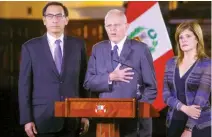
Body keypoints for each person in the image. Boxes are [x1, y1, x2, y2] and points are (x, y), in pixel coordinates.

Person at [18, 2, 89, 137]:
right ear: (44, 20)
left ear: (66, 20)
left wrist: (85, 115)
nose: (55, 20)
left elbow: (84, 82)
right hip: (42, 119)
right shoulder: (30, 47)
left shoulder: (78, 45)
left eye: (59, 16)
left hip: (73, 119)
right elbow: (24, 86)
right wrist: (27, 119)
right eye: (50, 16)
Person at [84, 9, 157, 137]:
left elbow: (151, 87)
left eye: (116, 25)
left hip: (135, 123)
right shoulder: (97, 49)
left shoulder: (140, 49)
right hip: (105, 121)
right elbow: (88, 83)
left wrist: (138, 110)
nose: (113, 29)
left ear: (126, 26)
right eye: (109, 26)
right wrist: (110, 77)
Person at [163, 21, 211, 137]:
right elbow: (166, 95)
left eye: (188, 36)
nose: (183, 40)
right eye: (180, 37)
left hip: (199, 124)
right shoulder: (171, 63)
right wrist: (183, 107)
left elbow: (200, 100)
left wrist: (189, 129)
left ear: (197, 39)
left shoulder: (207, 64)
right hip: (174, 121)